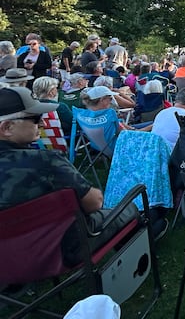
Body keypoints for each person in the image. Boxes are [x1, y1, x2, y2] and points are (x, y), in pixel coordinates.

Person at [0, 87, 141, 265]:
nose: (43, 124)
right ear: (7, 128)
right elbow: (94, 203)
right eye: (35, 119)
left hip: (8, 259)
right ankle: (134, 265)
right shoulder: (46, 162)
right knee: (129, 210)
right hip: (60, 249)